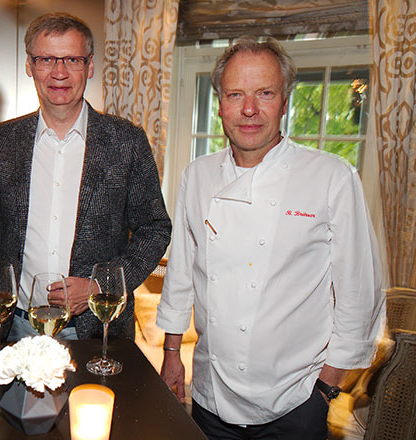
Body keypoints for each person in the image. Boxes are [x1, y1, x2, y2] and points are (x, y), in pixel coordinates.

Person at [157, 37, 385, 439]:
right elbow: (181, 275)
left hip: (296, 401)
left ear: (284, 101)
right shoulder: (198, 175)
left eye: (264, 93)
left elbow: (359, 292)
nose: (249, 110)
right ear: (220, 103)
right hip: (212, 397)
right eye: (235, 95)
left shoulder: (332, 176)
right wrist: (172, 352)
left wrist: (327, 387)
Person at [0, 12, 171, 341]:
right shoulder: (4, 140)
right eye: (46, 59)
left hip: (97, 329)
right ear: (29, 66)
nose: (59, 72)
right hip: (16, 327)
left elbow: (155, 228)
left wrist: (100, 287)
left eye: (72, 59)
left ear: (90, 65)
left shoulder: (127, 141)